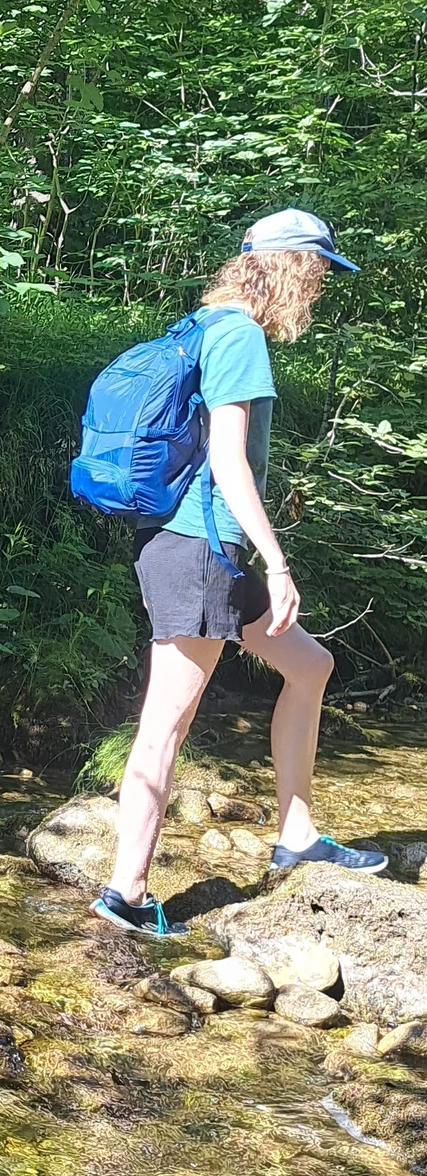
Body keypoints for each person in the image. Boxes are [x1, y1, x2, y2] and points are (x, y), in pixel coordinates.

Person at [94, 207, 380, 936]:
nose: (318, 287)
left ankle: (298, 835)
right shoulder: (243, 337)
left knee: (310, 666)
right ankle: (126, 892)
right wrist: (278, 562)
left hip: (197, 548)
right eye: (316, 271)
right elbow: (226, 458)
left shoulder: (203, 325)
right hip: (199, 554)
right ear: (289, 267)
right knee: (164, 727)